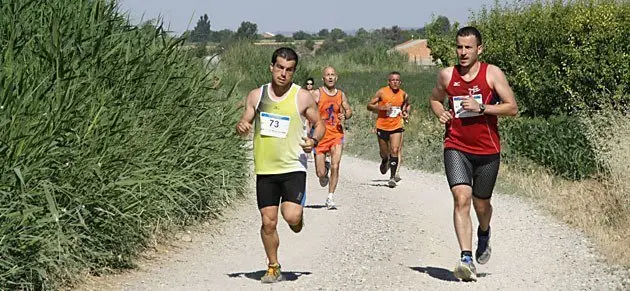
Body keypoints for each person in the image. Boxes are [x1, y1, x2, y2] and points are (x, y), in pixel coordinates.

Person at [428, 26, 518, 281]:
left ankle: (484, 231)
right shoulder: (447, 75)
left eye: (468, 47)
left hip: (488, 150)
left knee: (481, 204)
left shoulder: (492, 74)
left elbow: (512, 108)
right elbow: (434, 99)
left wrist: (483, 108)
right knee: (461, 198)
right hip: (456, 146)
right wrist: (440, 112)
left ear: (479, 49)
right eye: (459, 47)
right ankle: (466, 257)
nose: (463, 52)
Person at [235, 47, 325, 283]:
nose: (283, 74)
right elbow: (244, 122)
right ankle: (273, 266)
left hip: (293, 166)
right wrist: (242, 127)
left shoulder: (302, 97)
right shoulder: (257, 95)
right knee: (268, 222)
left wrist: (314, 140)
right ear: (271, 67)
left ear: (294, 72)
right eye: (280, 68)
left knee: (291, 216)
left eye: (289, 69)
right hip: (265, 168)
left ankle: (297, 218)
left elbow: (320, 124)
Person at [310, 66, 352, 210]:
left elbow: (348, 110)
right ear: (323, 78)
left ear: (336, 77)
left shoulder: (341, 95)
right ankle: (324, 169)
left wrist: (345, 115)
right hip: (320, 136)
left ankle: (330, 197)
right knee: (320, 174)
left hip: (336, 134)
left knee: (336, 165)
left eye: (332, 75)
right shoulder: (317, 94)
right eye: (327, 75)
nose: (330, 77)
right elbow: (307, 110)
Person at [367, 71, 409, 188]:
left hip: (396, 126)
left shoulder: (403, 94)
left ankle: (392, 177)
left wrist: (405, 113)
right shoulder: (382, 92)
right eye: (393, 80)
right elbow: (369, 106)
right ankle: (385, 161)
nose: (395, 82)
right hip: (382, 126)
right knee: (385, 153)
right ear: (389, 82)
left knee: (395, 150)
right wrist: (381, 107)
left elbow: (405, 105)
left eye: (397, 80)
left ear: (400, 82)